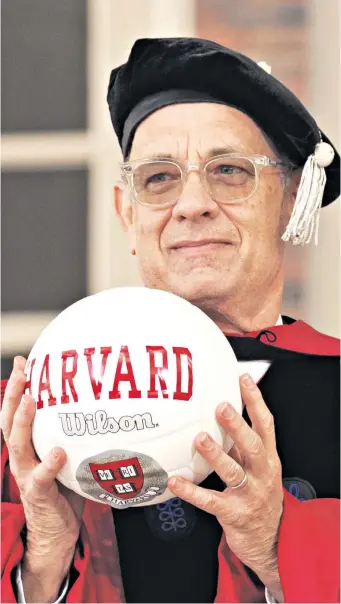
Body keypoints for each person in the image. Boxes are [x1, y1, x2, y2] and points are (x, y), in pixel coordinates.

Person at [1, 37, 340, 604]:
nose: (191, 204)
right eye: (159, 179)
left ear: (289, 198)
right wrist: (43, 563)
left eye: (229, 170)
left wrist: (280, 551)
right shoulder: (23, 426)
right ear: (126, 212)